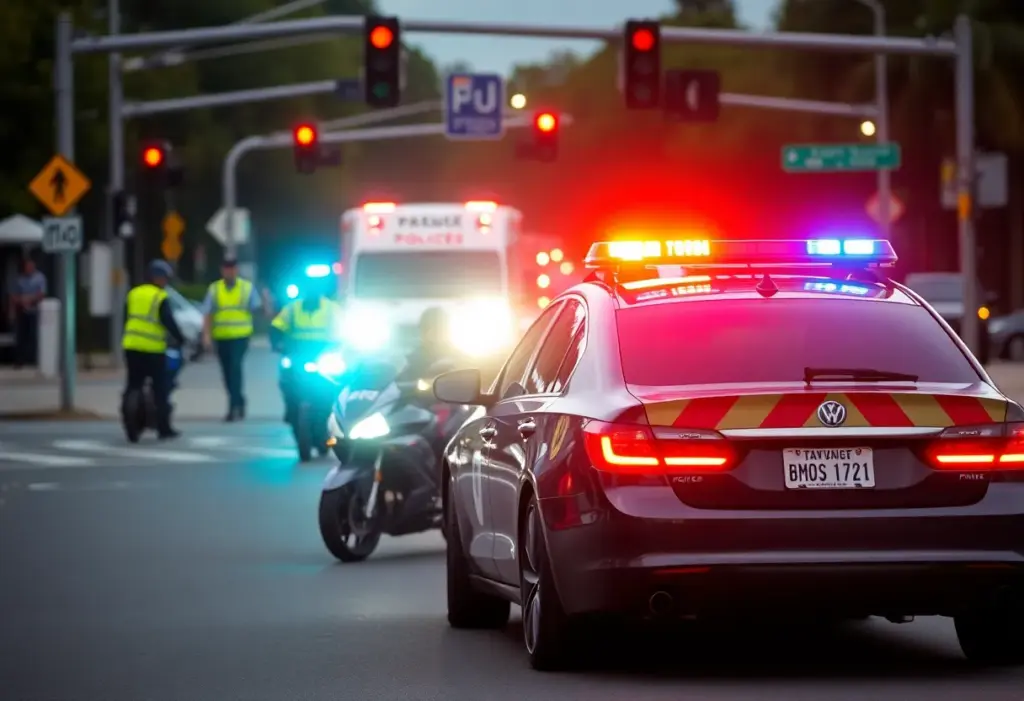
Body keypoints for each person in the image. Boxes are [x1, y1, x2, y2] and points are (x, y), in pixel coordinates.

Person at [122, 260, 185, 439]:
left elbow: (126, 318)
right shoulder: (159, 296)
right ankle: (164, 428)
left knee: (133, 384)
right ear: (157, 278)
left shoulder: (133, 293)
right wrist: (181, 339)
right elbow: (168, 322)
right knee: (160, 389)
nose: (166, 282)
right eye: (164, 278)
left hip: (131, 346)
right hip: (153, 350)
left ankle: (129, 424)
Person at [270, 274, 343, 422]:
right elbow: (276, 327)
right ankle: (291, 409)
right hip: (297, 354)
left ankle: (334, 413)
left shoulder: (332, 309)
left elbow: (345, 331)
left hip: (324, 356)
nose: (312, 294)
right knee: (286, 378)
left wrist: (341, 347)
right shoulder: (292, 309)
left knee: (336, 383)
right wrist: (277, 344)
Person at [201, 258, 268, 422]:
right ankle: (238, 400)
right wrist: (206, 336)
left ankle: (232, 408)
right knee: (227, 373)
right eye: (226, 269)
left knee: (235, 369)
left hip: (240, 336)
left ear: (236, 270)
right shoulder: (214, 289)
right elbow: (208, 313)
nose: (229, 272)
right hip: (222, 337)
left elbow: (258, 309)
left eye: (232, 269)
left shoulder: (246, 288)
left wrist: (266, 304)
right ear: (222, 270)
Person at [8, 257, 47, 368]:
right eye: (26, 267)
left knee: (34, 336)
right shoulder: (19, 279)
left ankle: (34, 360)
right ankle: (20, 361)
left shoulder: (40, 278)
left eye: (30, 267)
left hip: (35, 312)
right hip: (22, 311)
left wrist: (28, 299)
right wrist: (21, 302)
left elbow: (41, 295)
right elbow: (13, 297)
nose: (28, 269)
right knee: (21, 337)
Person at [398, 307, 453, 381]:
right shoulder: (410, 361)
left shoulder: (460, 358)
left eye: (439, 328)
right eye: (427, 327)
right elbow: (404, 384)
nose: (433, 332)